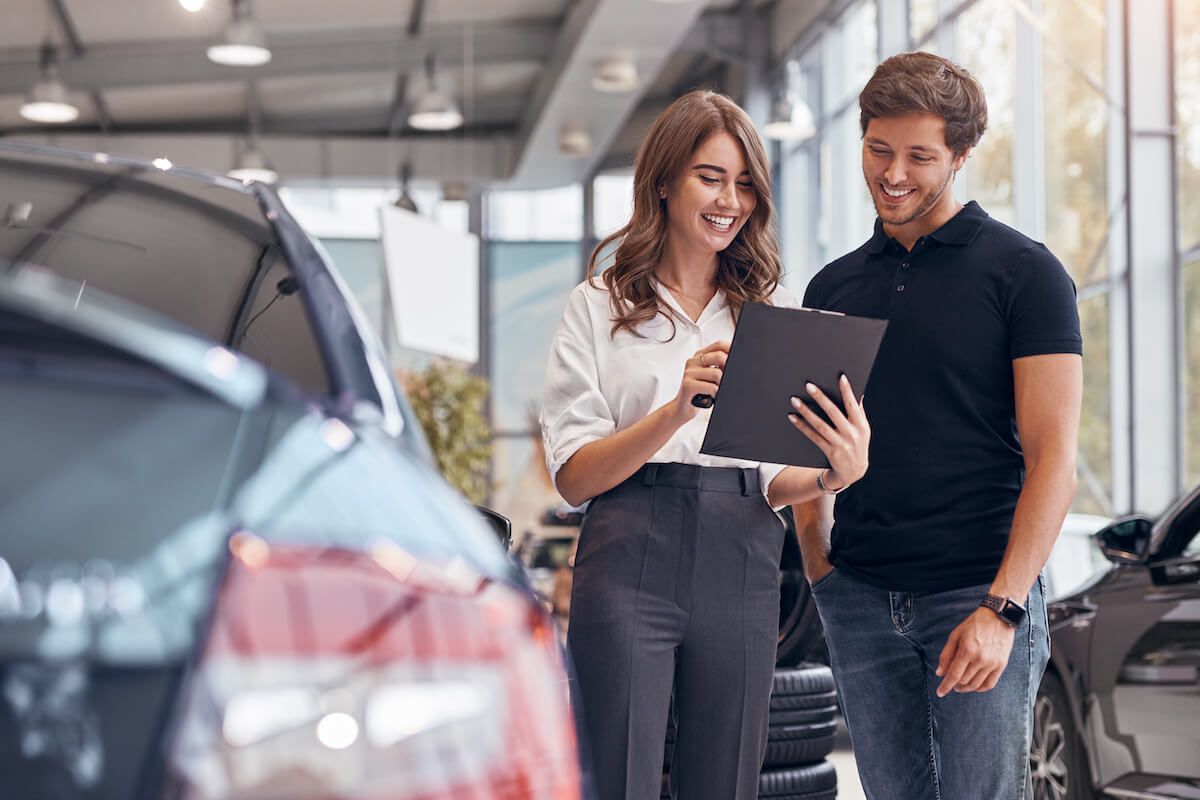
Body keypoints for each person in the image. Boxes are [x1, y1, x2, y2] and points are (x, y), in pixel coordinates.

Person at [540, 90, 872, 800]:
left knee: (725, 782)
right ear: (664, 182)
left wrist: (830, 475)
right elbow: (573, 479)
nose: (731, 199)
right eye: (711, 176)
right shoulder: (597, 307)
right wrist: (674, 412)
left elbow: (773, 476)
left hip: (743, 553)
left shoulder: (771, 313)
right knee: (618, 776)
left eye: (746, 181)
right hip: (628, 552)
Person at [798, 52, 1083, 800]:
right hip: (859, 594)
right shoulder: (832, 286)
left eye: (919, 156)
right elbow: (809, 440)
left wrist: (1002, 609)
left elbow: (1055, 459)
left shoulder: (1026, 275)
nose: (893, 174)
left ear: (959, 156)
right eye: (878, 150)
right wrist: (818, 561)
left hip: (976, 593)